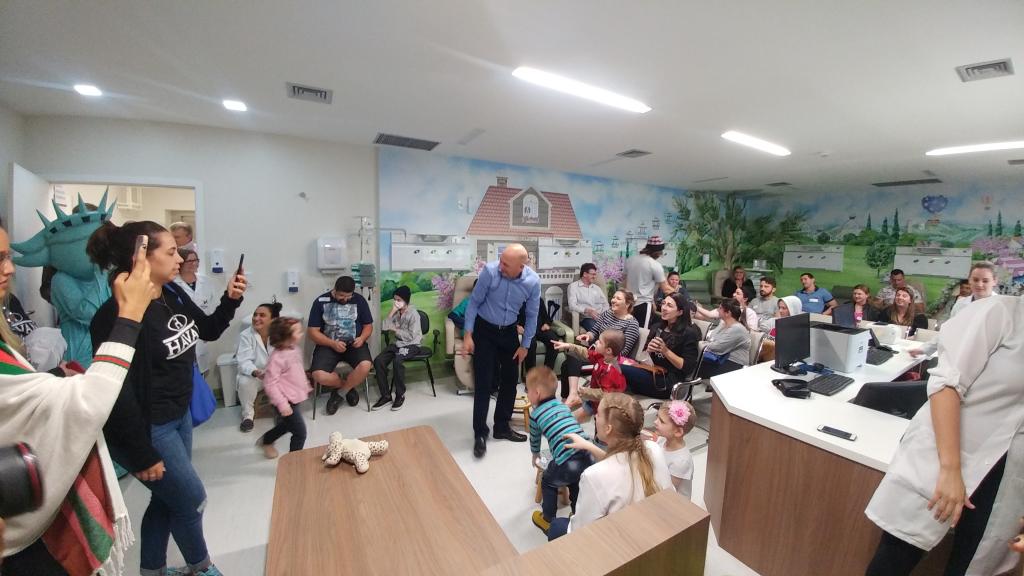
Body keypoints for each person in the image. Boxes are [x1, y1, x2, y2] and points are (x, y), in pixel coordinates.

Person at [89, 220, 246, 576]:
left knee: (166, 499)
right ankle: (202, 567)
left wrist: (231, 299)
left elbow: (208, 329)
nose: (181, 259)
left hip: (178, 415)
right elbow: (116, 391)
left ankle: (152, 571)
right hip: (149, 428)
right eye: (172, 252)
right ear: (142, 257)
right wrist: (142, 453)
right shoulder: (115, 316)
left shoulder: (171, 293)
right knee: (191, 500)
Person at [0, 226, 154, 576]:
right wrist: (129, 316)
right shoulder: (70, 288)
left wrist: (54, 376)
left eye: (8, 257)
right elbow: (88, 402)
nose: (9, 269)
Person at [864, 295, 1024, 576]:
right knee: (894, 561)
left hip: (1007, 478)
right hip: (946, 459)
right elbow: (946, 386)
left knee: (969, 567)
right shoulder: (1000, 313)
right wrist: (951, 470)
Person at [549, 393, 673, 540]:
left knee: (556, 526)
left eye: (598, 414)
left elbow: (579, 530)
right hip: (657, 529)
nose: (595, 417)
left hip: (622, 542)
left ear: (608, 428)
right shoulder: (653, 448)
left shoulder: (593, 476)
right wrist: (589, 446)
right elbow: (622, 465)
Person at [461, 244, 540, 458]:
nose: (500, 266)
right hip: (484, 330)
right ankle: (480, 433)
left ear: (521, 266)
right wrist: (468, 335)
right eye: (501, 261)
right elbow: (474, 303)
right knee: (484, 382)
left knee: (510, 380)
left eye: (506, 264)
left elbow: (532, 315)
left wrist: (525, 345)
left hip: (509, 332)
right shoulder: (490, 271)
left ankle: (502, 427)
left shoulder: (533, 281)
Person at [525, 367, 593, 535]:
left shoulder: (535, 415)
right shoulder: (563, 407)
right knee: (576, 483)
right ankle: (577, 515)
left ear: (537, 393)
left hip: (566, 461)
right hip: (587, 452)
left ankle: (547, 519)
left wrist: (535, 455)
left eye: (528, 390)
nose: (527, 394)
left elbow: (535, 439)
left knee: (548, 481)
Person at [559, 290, 640, 407]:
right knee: (568, 360)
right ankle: (568, 397)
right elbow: (594, 331)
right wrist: (588, 335)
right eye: (613, 297)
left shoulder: (632, 324)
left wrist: (601, 353)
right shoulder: (607, 313)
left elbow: (623, 351)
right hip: (598, 350)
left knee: (570, 362)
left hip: (609, 360)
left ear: (627, 304)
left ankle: (572, 396)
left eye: (618, 298)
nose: (613, 300)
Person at [307, 275, 373, 415]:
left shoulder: (359, 300)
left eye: (348, 296)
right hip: (328, 345)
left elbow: (368, 326)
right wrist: (332, 343)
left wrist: (362, 338)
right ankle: (347, 387)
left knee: (366, 366)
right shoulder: (320, 302)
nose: (345, 299)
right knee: (318, 375)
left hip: (354, 344)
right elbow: (313, 332)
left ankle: (339, 394)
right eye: (341, 296)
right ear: (335, 290)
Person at [621, 293, 701, 400]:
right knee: (613, 369)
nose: (664, 308)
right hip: (651, 371)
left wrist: (665, 351)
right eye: (663, 303)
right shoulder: (657, 327)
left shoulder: (689, 333)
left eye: (669, 305)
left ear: (680, 312)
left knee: (617, 368)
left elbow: (687, 367)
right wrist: (648, 350)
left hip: (667, 382)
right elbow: (643, 358)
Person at [552, 330, 627, 429]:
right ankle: (562, 428)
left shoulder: (611, 371)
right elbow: (586, 353)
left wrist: (586, 392)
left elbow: (605, 394)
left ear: (608, 350)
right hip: (593, 402)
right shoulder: (602, 356)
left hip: (606, 408)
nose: (596, 342)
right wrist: (569, 345)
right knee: (573, 420)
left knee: (601, 432)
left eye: (600, 342)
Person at [258, 317, 309, 458]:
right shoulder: (277, 358)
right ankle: (293, 463)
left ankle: (266, 440)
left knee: (287, 425)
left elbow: (295, 371)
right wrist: (282, 404)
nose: (301, 334)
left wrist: (304, 386)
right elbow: (270, 384)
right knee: (300, 433)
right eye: (298, 332)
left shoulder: (294, 349)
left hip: (294, 397)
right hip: (285, 401)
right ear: (286, 336)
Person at [372, 286, 423, 411]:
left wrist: (395, 330)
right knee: (379, 361)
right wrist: (391, 312)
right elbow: (384, 327)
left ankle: (400, 395)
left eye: (399, 300)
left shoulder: (414, 314)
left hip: (412, 345)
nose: (396, 302)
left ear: (406, 300)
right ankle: (386, 396)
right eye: (394, 299)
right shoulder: (397, 313)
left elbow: (411, 336)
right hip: (397, 344)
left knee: (397, 360)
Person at [236, 302, 280, 432]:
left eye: (262, 315)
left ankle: (280, 411)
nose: (256, 318)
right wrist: (255, 372)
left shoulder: (280, 334)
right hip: (256, 376)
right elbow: (243, 361)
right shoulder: (246, 335)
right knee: (244, 381)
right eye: (255, 315)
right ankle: (248, 416)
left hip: (276, 375)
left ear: (273, 319)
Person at [173, 247, 217, 375]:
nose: (194, 263)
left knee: (202, 371)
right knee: (186, 371)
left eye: (196, 260)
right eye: (189, 261)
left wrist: (209, 326)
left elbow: (212, 305)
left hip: (202, 331)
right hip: (183, 331)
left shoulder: (206, 281)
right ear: (180, 263)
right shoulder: (173, 283)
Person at [648, 400, 696, 499]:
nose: (655, 422)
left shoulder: (681, 461)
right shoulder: (661, 440)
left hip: (673, 502)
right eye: (657, 417)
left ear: (678, 432)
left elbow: (669, 491)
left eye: (661, 421)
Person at [624, 235, 675, 329]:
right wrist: (682, 298)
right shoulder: (655, 265)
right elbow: (666, 289)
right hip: (643, 304)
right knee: (641, 332)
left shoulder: (630, 260)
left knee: (627, 330)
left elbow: (624, 282)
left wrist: (652, 302)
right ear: (658, 252)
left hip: (627, 303)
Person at [698, 298, 751, 378]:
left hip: (733, 364)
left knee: (693, 366)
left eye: (720, 308)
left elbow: (718, 348)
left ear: (728, 313)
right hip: (719, 358)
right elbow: (711, 339)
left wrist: (699, 344)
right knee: (692, 361)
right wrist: (707, 344)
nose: (717, 310)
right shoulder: (723, 324)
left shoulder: (737, 329)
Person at [519, 296, 560, 373]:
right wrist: (517, 326)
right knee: (531, 343)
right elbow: (511, 318)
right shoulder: (516, 300)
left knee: (554, 340)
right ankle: (531, 375)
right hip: (527, 330)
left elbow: (546, 317)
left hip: (541, 329)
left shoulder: (539, 300)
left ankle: (546, 373)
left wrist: (547, 323)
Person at [567, 263, 609, 333]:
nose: (594, 276)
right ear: (585, 274)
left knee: (615, 329)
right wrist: (587, 310)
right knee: (598, 330)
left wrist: (603, 315)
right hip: (587, 318)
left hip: (601, 316)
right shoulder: (573, 287)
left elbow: (605, 304)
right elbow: (572, 305)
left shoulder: (597, 288)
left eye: (595, 274)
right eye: (592, 274)